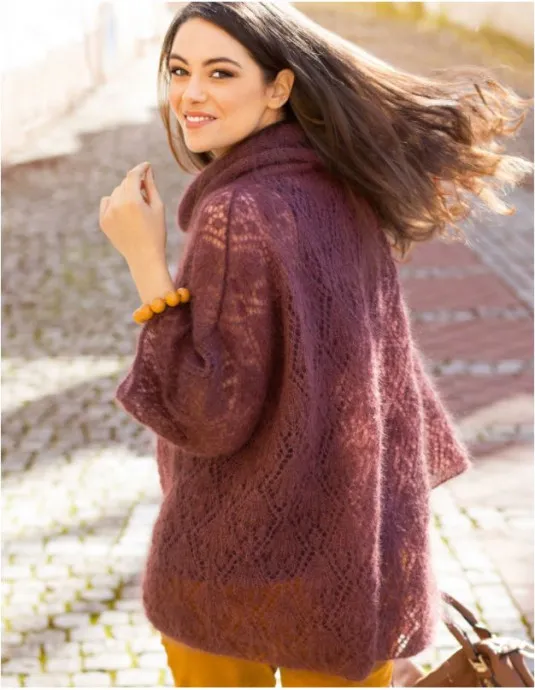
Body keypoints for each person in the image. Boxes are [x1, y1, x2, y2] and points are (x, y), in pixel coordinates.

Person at [98, 2, 532, 686]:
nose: (191, 93)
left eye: (220, 72)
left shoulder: (238, 210)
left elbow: (205, 412)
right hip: (351, 567)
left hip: (232, 568)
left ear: (279, 87)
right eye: (179, 71)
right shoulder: (339, 186)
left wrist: (144, 261)